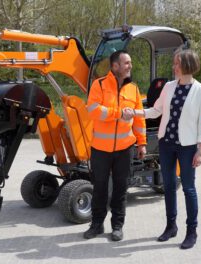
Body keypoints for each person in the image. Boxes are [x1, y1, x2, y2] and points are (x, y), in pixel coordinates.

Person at [123, 48, 201, 249]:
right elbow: (156, 110)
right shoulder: (169, 87)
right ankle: (171, 227)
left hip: (188, 147)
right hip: (166, 144)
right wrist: (134, 112)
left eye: (177, 63)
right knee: (169, 187)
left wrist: (200, 150)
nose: (173, 67)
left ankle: (191, 231)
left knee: (188, 188)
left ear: (187, 65)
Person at [84, 50, 147, 241]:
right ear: (115, 66)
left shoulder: (133, 89)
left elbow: (138, 119)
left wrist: (142, 143)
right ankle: (96, 225)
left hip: (125, 149)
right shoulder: (99, 85)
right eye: (126, 63)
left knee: (121, 188)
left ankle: (117, 227)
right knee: (100, 188)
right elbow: (93, 110)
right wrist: (118, 113)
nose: (130, 66)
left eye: (130, 62)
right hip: (100, 149)